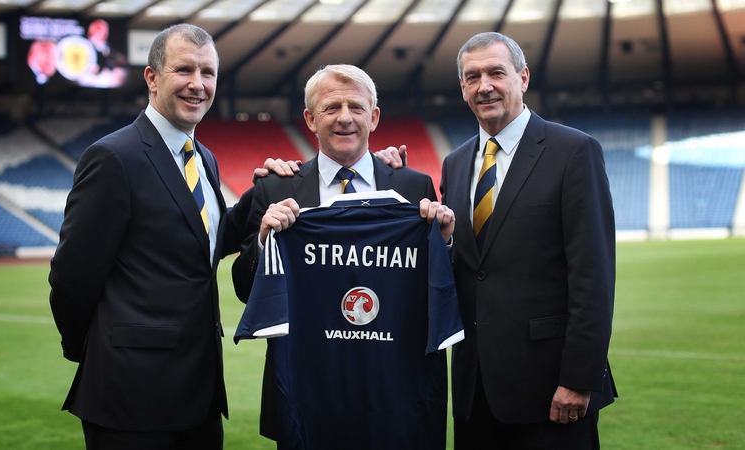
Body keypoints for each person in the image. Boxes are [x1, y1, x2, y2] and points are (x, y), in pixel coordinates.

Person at [48, 23, 297, 450]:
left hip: (199, 392)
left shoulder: (203, 157)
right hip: (130, 396)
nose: (198, 85)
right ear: (152, 77)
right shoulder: (113, 157)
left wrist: (262, 192)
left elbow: (206, 244)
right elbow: (71, 277)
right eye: (184, 70)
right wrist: (91, 352)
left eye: (208, 73)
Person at [230, 64, 456, 444]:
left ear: (375, 116)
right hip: (306, 394)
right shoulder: (275, 189)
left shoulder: (413, 185)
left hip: (395, 392)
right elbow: (243, 288)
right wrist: (265, 240)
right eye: (332, 107)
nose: (345, 118)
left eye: (356, 107)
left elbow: (433, 287)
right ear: (310, 119)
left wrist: (445, 243)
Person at [436, 31, 617, 449]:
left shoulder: (573, 151)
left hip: (551, 391)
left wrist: (578, 379)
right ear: (463, 88)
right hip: (475, 391)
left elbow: (594, 277)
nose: (484, 86)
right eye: (472, 77)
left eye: (496, 73)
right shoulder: (456, 163)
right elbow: (466, 267)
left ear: (523, 77)